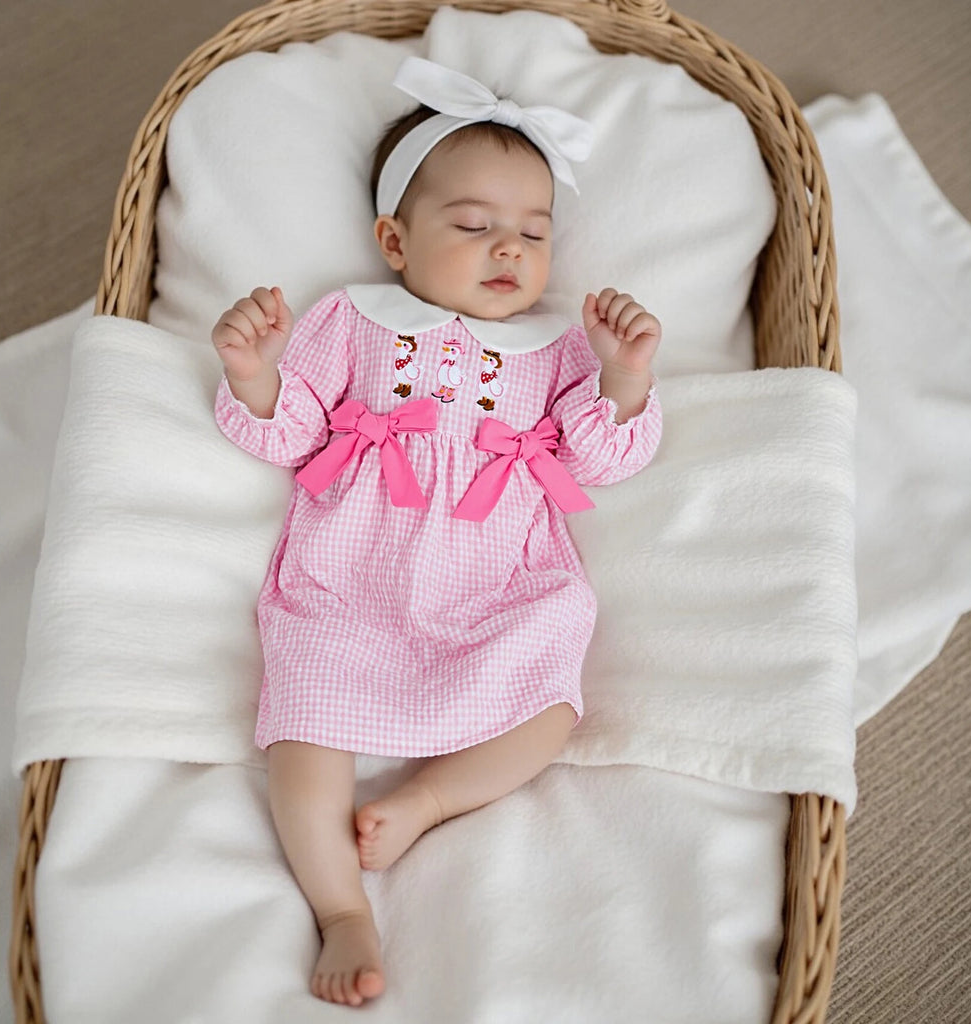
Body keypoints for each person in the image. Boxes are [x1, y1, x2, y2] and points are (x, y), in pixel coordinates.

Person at [211, 57, 663, 1008]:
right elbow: (293, 435)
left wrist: (624, 375)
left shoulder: (559, 343)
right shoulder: (354, 318)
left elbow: (603, 457)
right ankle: (342, 908)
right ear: (396, 240)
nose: (510, 250)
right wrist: (255, 373)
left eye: (534, 233)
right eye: (474, 225)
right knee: (301, 717)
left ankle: (428, 799)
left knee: (552, 698)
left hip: (501, 579)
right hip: (350, 573)